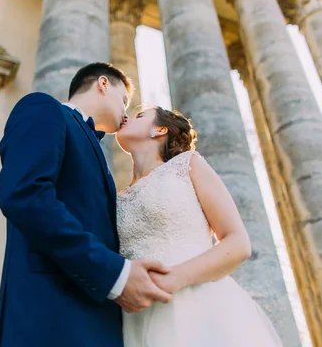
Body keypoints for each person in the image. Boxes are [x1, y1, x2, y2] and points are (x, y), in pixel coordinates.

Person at [0, 63, 172, 347]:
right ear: (103, 83)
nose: (125, 113)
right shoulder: (43, 109)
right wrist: (114, 274)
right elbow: (25, 195)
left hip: (95, 319)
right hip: (50, 319)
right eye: (123, 101)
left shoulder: (95, 147)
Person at [115, 106, 283, 346]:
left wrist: (172, 280)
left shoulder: (187, 165)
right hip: (138, 316)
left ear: (159, 130)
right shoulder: (117, 198)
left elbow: (238, 243)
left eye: (140, 116)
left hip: (197, 302)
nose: (127, 118)